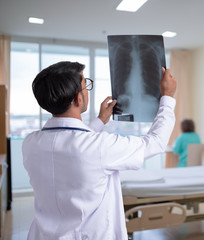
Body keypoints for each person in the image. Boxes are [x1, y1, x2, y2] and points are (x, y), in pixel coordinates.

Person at [22, 61, 176, 240]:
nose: (87, 89)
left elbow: (74, 146)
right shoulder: (99, 146)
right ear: (78, 99)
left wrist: (100, 121)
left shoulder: (30, 143)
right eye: (84, 85)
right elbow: (156, 142)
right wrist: (168, 97)